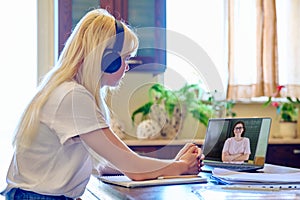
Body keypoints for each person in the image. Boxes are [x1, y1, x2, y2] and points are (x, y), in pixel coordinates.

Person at [1, 8, 204, 200]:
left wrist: (171, 165)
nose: (127, 67)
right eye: (124, 58)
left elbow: (110, 163)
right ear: (105, 58)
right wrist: (179, 166)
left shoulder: (64, 90)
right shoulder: (72, 96)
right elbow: (133, 169)